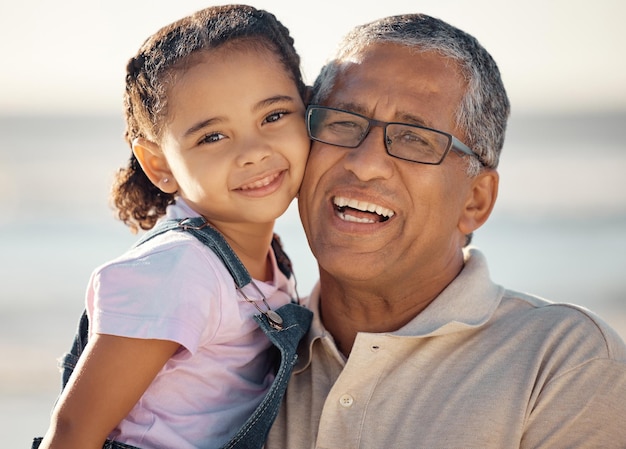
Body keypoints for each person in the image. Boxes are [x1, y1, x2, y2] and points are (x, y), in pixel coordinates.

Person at [265, 13, 626, 448]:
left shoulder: (560, 361)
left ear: (476, 200)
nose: (365, 162)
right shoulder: (243, 352)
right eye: (342, 122)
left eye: (415, 137)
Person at [36, 5, 311, 449]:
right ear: (159, 165)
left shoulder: (265, 259)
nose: (253, 151)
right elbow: (71, 434)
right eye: (212, 137)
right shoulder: (179, 271)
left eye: (274, 116)